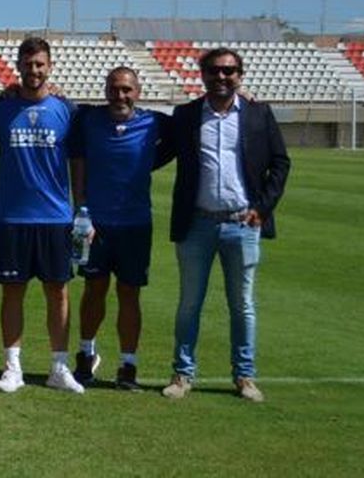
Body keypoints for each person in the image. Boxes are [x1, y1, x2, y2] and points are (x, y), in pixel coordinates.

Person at [162, 48, 289, 403]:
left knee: (242, 304)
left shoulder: (258, 114)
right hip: (197, 223)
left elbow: (280, 163)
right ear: (202, 74)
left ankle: (244, 376)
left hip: (242, 224)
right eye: (215, 71)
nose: (222, 77)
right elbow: (157, 151)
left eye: (229, 71)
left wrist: (262, 208)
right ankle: (182, 374)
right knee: (189, 303)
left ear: (240, 75)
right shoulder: (185, 115)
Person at [0, 36, 85, 394]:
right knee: (12, 293)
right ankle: (13, 368)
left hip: (55, 218)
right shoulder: (1, 108)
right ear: (18, 66)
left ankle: (58, 367)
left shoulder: (68, 110)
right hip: (12, 218)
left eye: (40, 64)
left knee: (59, 293)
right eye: (28, 64)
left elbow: (79, 161)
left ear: (49, 67)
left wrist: (81, 210)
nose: (33, 70)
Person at [67, 67, 173, 390]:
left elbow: (186, 131)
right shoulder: (87, 119)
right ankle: (86, 354)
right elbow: (76, 155)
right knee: (93, 290)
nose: (120, 95)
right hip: (95, 224)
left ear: (138, 91)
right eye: (114, 89)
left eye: (127, 89)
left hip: (136, 224)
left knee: (130, 294)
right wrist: (81, 208)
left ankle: (128, 364)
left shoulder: (155, 122)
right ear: (105, 90)